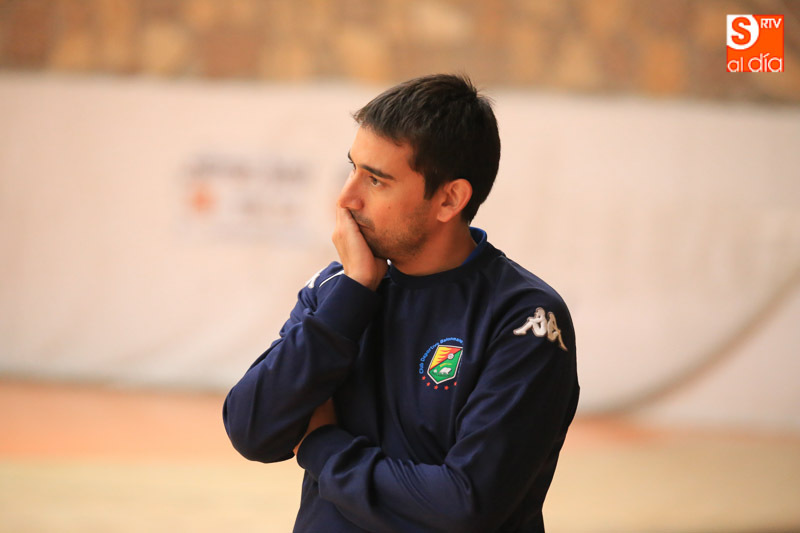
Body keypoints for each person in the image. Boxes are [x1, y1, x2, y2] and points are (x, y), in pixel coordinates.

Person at [223, 74, 579, 532]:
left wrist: (322, 445)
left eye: (376, 180)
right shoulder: (339, 289)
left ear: (449, 199)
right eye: (352, 168)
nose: (346, 198)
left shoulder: (525, 320)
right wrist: (352, 295)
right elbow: (251, 431)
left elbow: (463, 507)